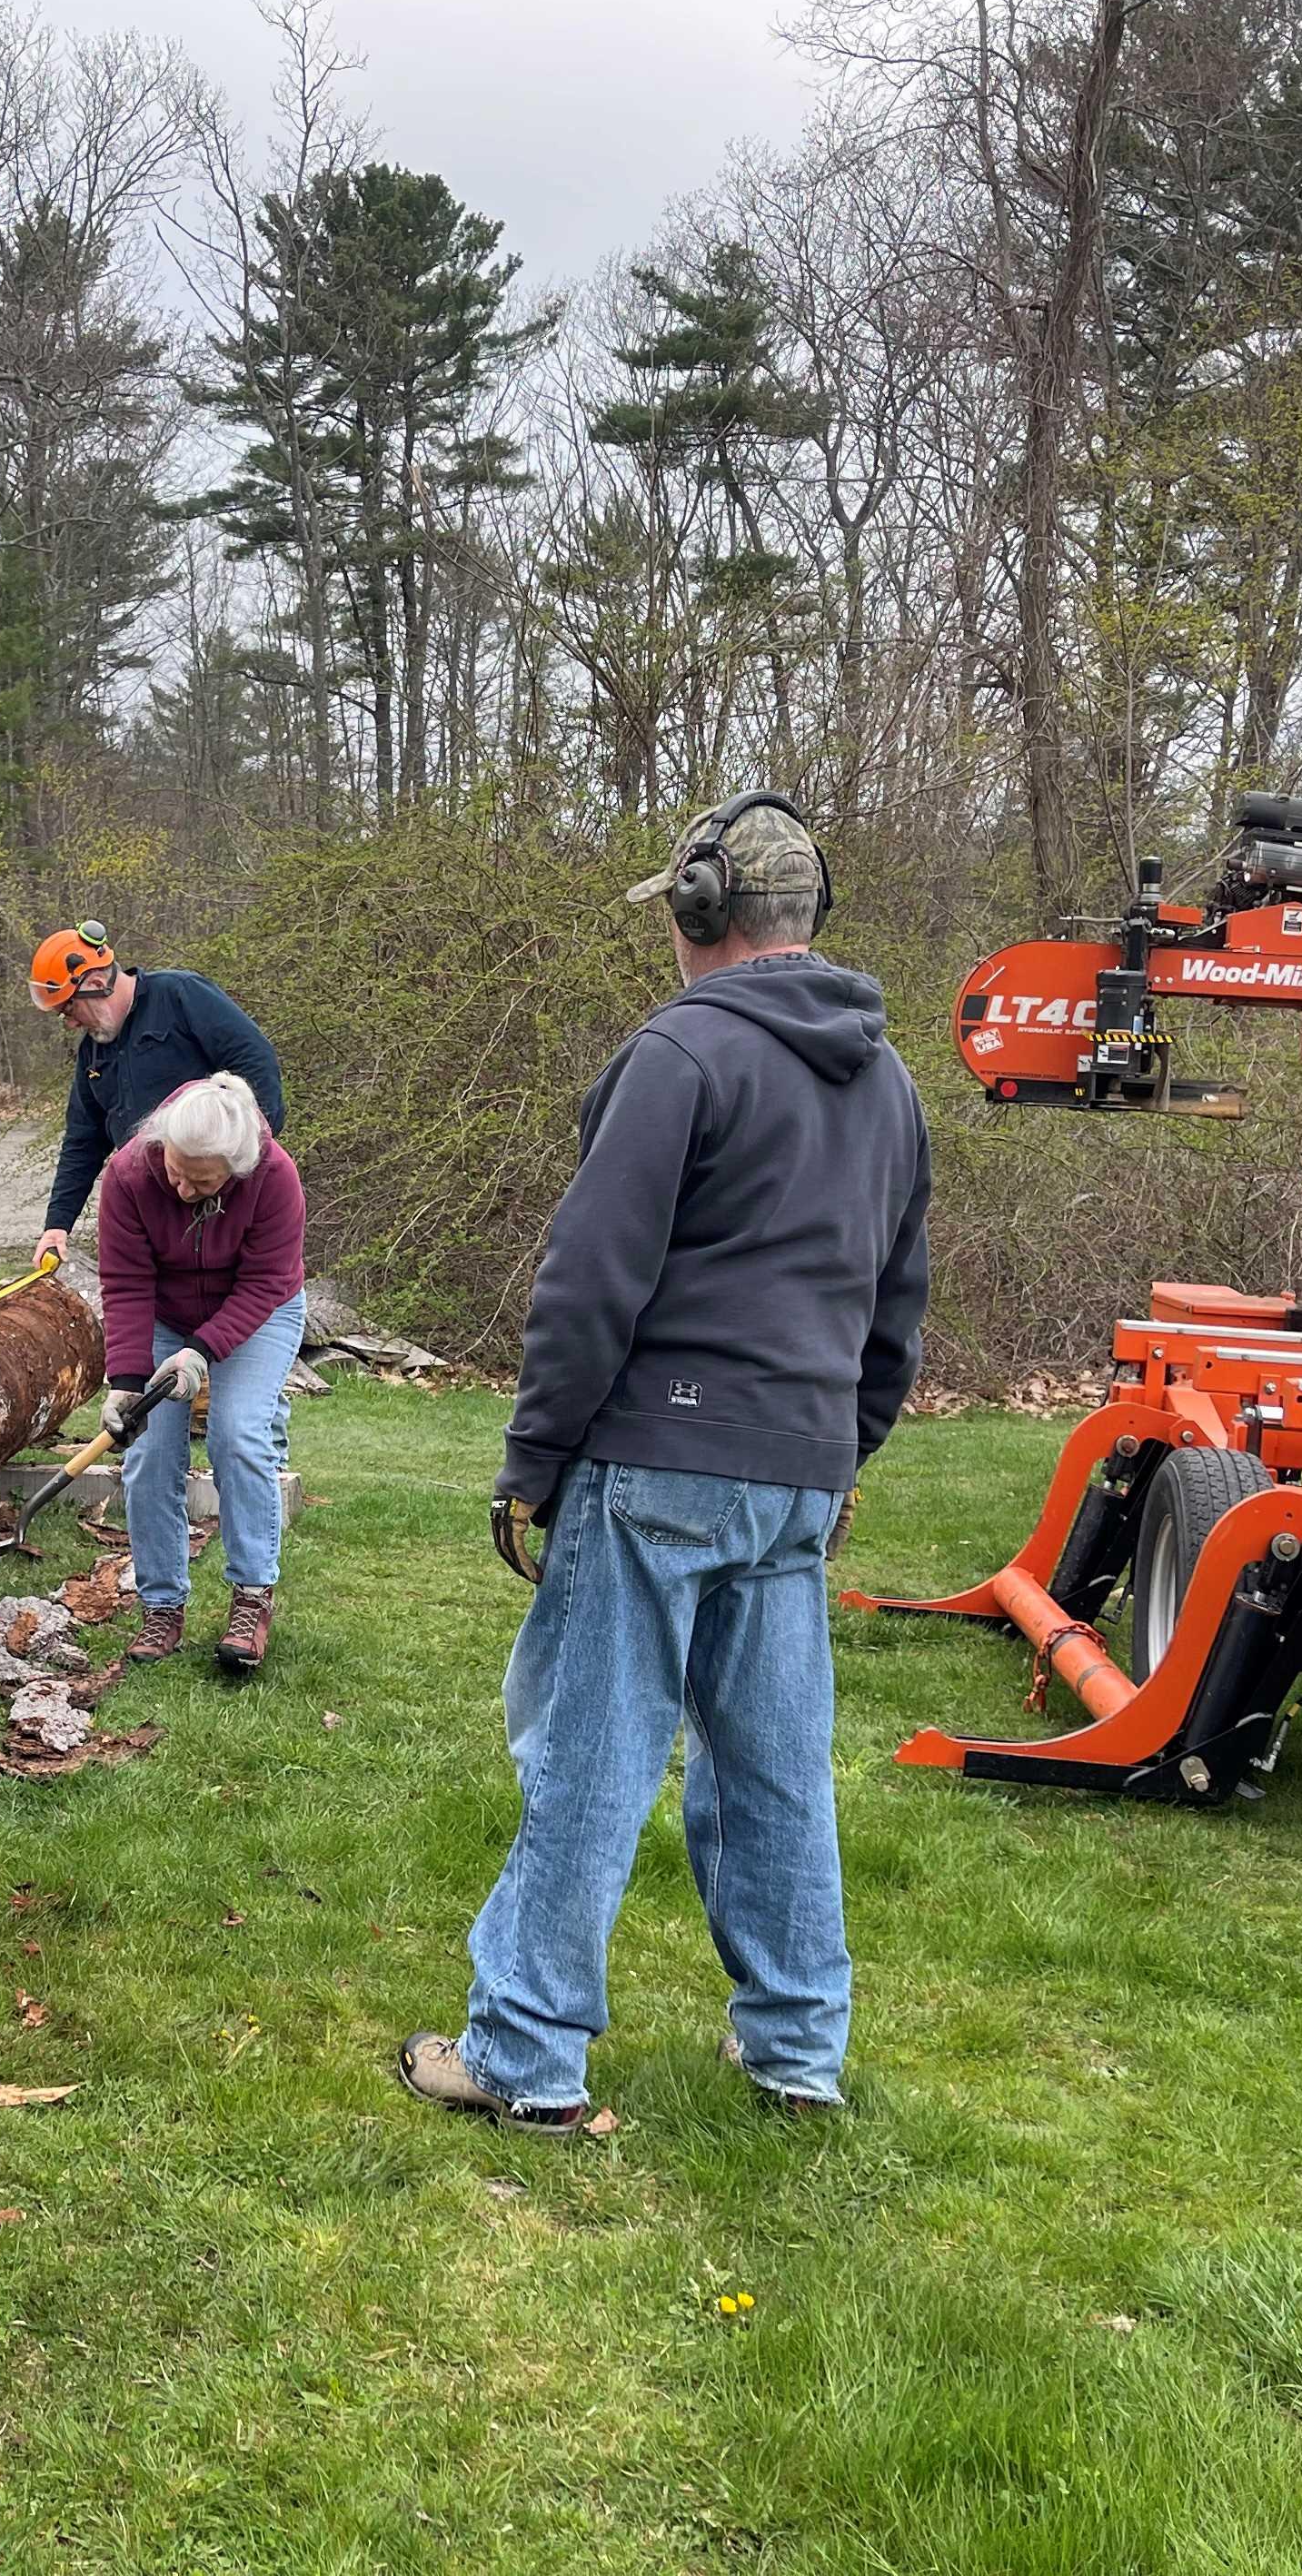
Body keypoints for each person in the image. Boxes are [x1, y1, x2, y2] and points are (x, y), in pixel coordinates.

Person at [402, 792, 930, 2133]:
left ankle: (522, 2055)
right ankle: (798, 2052)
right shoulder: (891, 1082)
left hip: (659, 1462)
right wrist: (841, 1449)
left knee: (591, 1754)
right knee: (776, 1770)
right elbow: (896, 1301)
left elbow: (591, 1281)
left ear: (700, 911)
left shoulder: (680, 1053)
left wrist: (535, 1458)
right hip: (796, 1471)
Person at [93, 1072, 308, 1670]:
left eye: (201, 1180)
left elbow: (266, 1282)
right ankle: (161, 1605)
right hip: (163, 1310)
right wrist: (126, 1383)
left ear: (234, 1170)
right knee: (149, 1450)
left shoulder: (274, 1177)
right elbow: (127, 1284)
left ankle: (252, 1597)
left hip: (258, 1309)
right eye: (176, 1170)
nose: (183, 1186)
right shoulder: (132, 1173)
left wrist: (203, 1349)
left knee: (238, 1433)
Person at [27, 922, 284, 1265]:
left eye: (69, 1009)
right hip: (155, 1208)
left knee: (245, 1295)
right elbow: (82, 1139)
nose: (70, 1024)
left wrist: (246, 1157)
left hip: (220, 1193)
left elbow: (256, 1061)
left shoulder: (181, 996)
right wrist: (58, 1224)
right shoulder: (93, 1053)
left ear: (96, 984)